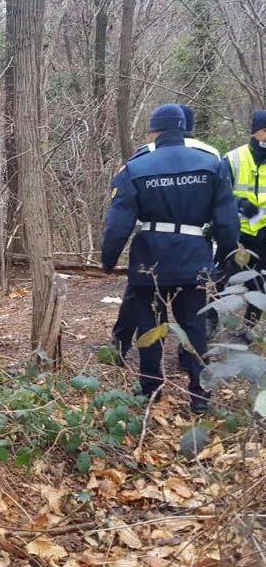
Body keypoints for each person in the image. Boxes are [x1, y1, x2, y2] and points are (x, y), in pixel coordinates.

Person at [101, 104, 238, 414]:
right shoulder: (211, 164)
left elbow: (118, 223)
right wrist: (228, 257)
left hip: (150, 260)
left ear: (154, 132)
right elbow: (227, 221)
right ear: (183, 129)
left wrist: (108, 259)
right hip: (194, 258)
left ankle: (151, 389)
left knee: (149, 324)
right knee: (195, 327)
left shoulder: (136, 167)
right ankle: (199, 395)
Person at [110, 105, 219, 361]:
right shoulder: (211, 156)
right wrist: (223, 248)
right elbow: (222, 206)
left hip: (151, 249)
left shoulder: (144, 156)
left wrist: (110, 255)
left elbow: (122, 210)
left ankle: (122, 349)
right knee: (193, 315)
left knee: (143, 308)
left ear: (156, 130)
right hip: (194, 248)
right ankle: (194, 372)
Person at [222, 110, 266, 324]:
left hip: (264, 234)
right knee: (224, 280)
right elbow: (219, 193)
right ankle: (212, 325)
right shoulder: (233, 158)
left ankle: (250, 329)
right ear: (254, 132)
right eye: (265, 131)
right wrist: (240, 205)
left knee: (261, 285)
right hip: (236, 232)